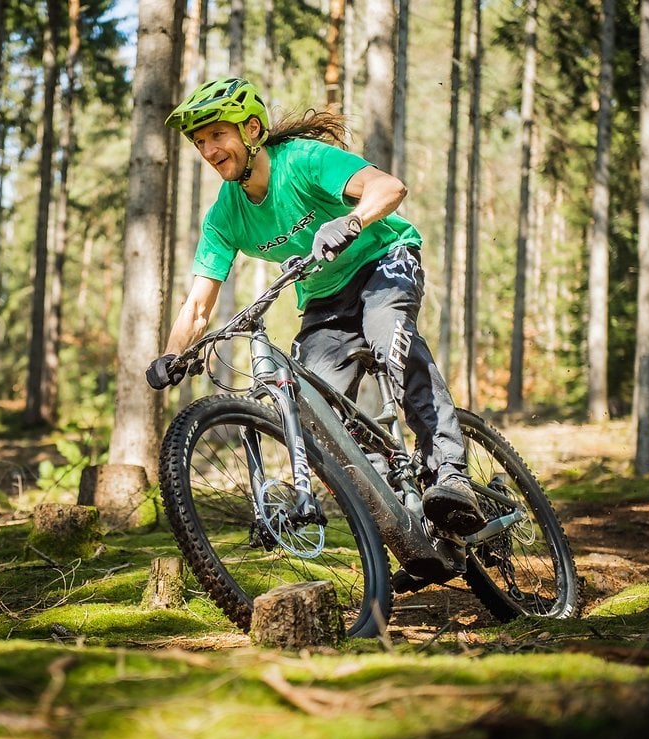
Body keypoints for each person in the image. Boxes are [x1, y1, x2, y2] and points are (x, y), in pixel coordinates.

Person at [145, 77, 485, 535]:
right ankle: (404, 519)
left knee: (390, 336)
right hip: (325, 297)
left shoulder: (303, 160)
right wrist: (172, 354)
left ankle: (451, 473)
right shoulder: (224, 215)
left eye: (217, 135)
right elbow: (198, 304)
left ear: (250, 130)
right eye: (200, 142)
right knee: (317, 407)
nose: (209, 150)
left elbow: (390, 187)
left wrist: (351, 220)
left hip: (383, 260)